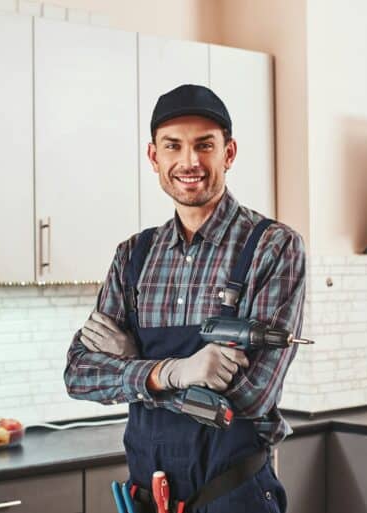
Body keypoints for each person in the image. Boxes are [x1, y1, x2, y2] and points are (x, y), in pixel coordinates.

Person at [64, 84, 306, 513]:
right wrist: (175, 372)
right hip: (147, 500)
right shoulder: (132, 257)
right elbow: (79, 374)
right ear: (154, 157)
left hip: (235, 496)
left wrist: (133, 365)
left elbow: (251, 399)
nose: (188, 162)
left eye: (204, 146)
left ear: (228, 153)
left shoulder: (273, 247)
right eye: (173, 146)